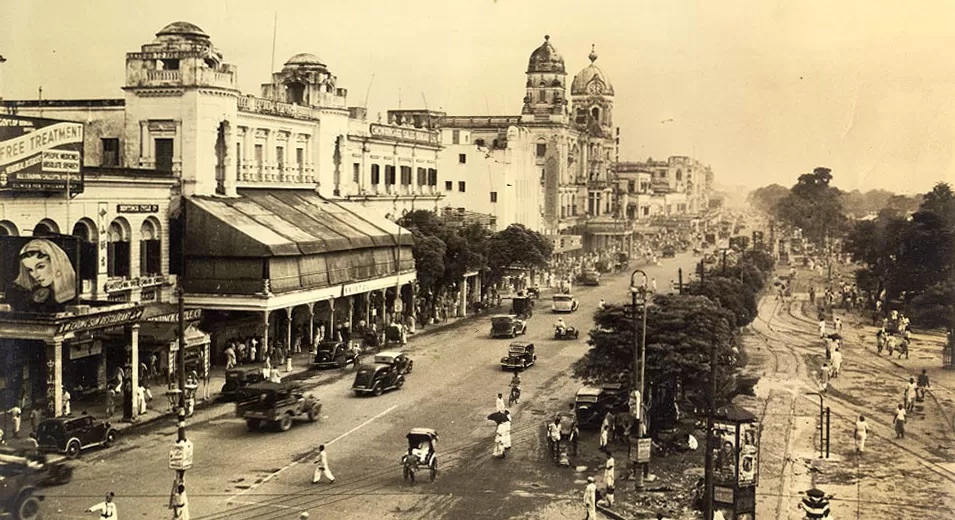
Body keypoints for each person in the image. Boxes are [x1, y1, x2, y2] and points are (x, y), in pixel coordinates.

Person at [10, 239, 77, 313]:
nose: (35, 275)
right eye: (30, 270)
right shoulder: (31, 294)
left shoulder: (73, 294)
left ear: (55, 264)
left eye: (40, 267)